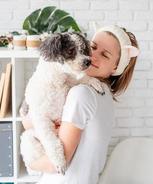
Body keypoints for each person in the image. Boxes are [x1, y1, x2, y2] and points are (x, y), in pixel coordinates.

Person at [22, 25, 140, 184]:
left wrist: (30, 163)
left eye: (105, 55)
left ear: (115, 68)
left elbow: (55, 163)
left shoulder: (81, 93)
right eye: (93, 47)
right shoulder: (104, 95)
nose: (93, 56)